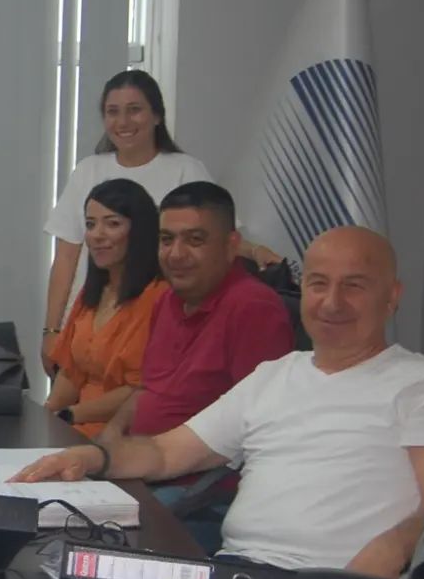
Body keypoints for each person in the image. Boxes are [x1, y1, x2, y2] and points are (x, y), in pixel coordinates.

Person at [14, 226, 424, 579]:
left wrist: (389, 550)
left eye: (354, 286)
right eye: (318, 283)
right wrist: (95, 457)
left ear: (392, 296)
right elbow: (168, 453)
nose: (332, 302)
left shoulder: (423, 387)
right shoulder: (274, 376)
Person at [40, 70, 278, 373]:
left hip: (152, 326)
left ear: (156, 116)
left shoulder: (185, 170)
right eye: (113, 112)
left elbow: (216, 238)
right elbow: (66, 257)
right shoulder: (88, 171)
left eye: (134, 110)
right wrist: (52, 330)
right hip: (88, 325)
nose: (123, 122)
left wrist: (256, 252)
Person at [102, 182, 294, 549]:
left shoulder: (254, 309)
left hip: (202, 493)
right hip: (144, 472)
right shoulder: (166, 301)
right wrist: (109, 440)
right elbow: (147, 389)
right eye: (166, 239)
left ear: (231, 246)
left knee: (100, 543)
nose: (176, 254)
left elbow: (257, 433)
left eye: (194, 240)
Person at [43, 178, 166, 438]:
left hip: (124, 435)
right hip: (73, 427)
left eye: (112, 224)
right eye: (90, 224)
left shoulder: (160, 297)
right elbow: (71, 372)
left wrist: (69, 415)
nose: (97, 235)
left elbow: (141, 390)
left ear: (140, 230)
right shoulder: (92, 293)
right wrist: (44, 417)